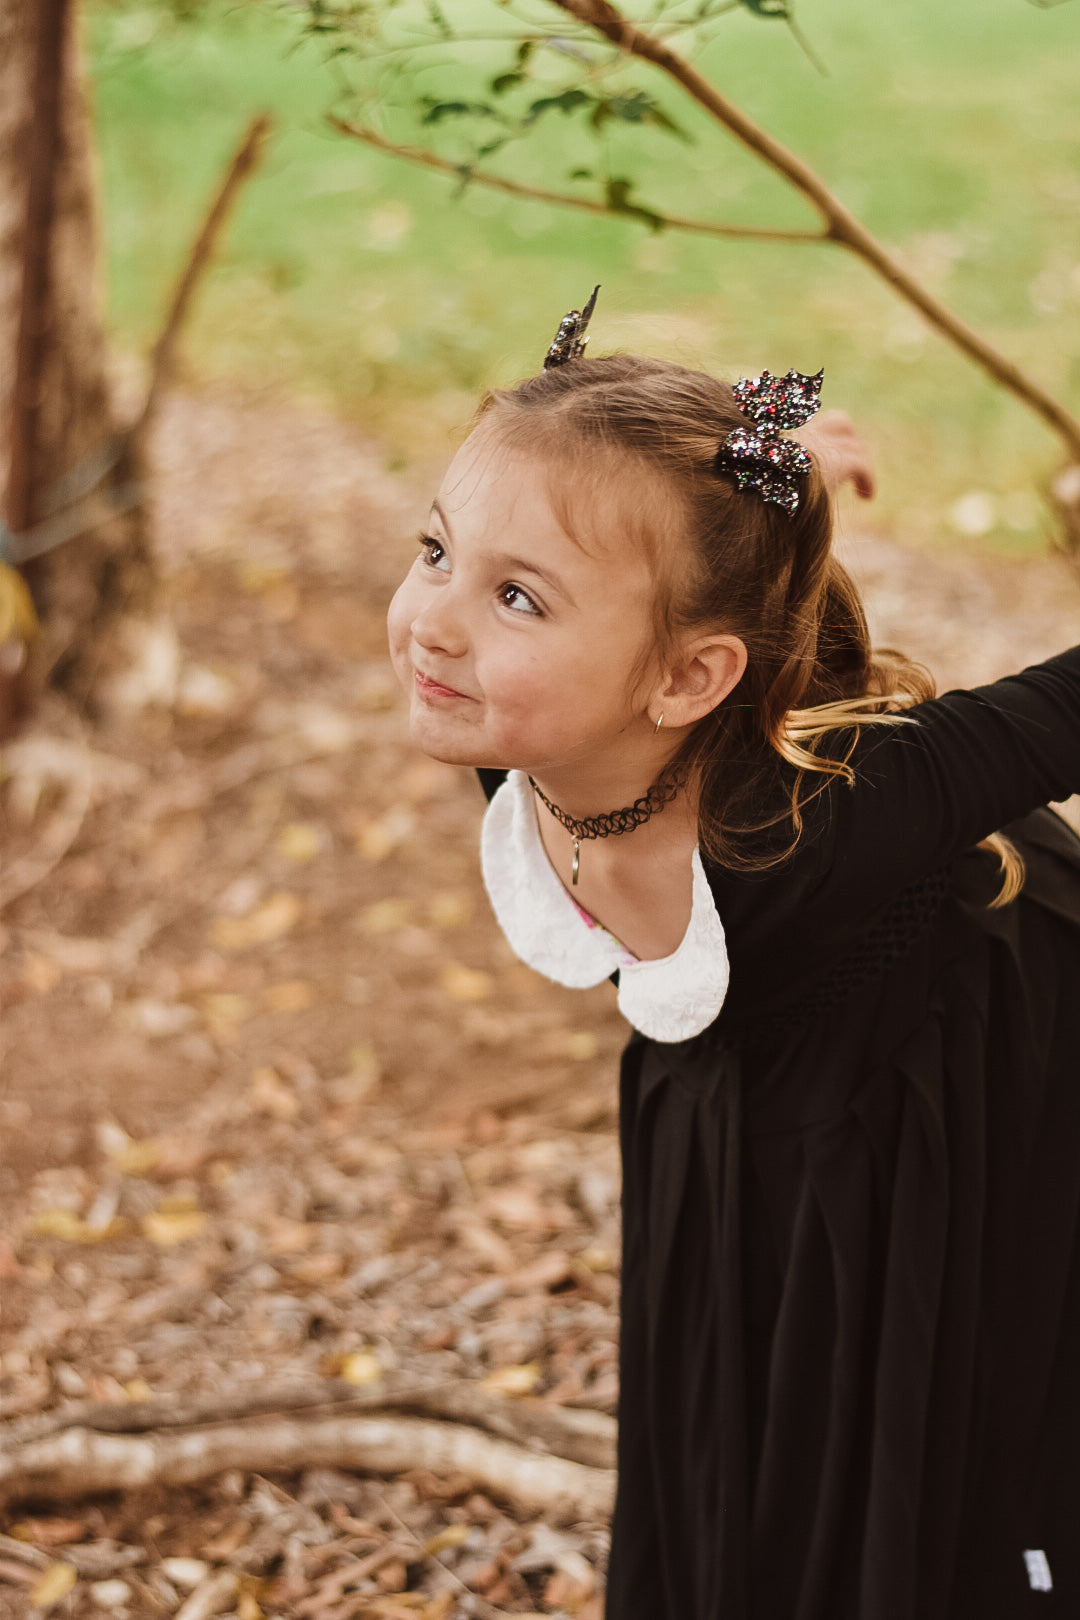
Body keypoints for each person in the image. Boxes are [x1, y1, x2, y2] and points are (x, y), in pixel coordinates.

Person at [386, 289, 1080, 1620]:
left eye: (516, 596)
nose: (435, 621)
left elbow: (1057, 716)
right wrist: (764, 469)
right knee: (735, 1397)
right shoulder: (518, 732)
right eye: (435, 550)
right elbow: (667, 523)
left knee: (911, 1426)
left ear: (688, 679)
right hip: (744, 1087)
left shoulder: (832, 822)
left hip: (956, 1074)